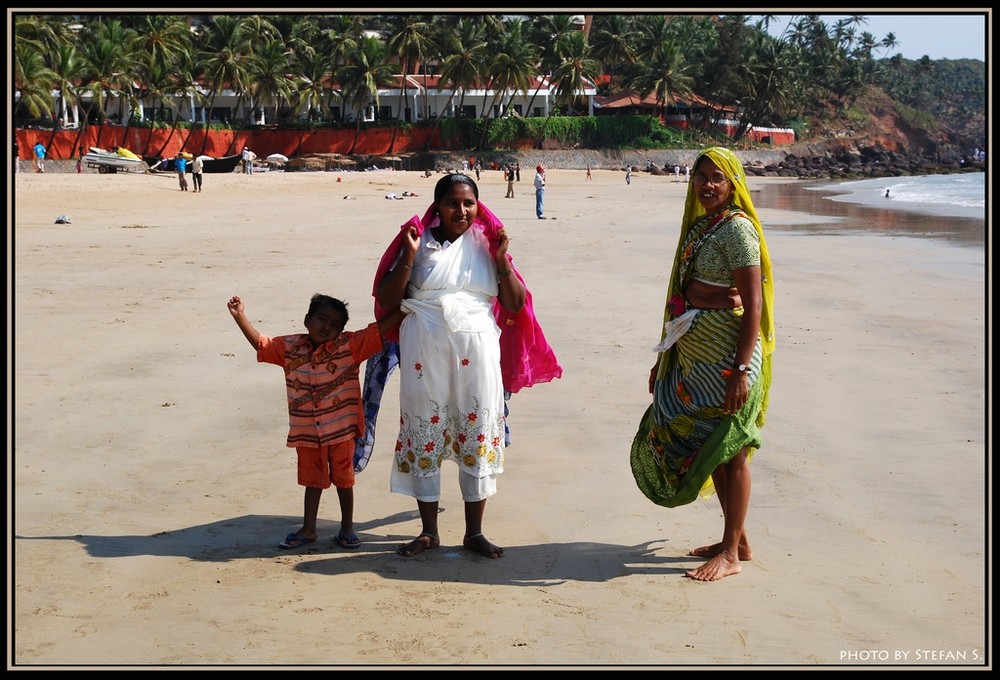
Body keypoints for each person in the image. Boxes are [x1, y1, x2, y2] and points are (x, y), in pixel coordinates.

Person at [369, 173, 562, 559]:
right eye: (453, 203)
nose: (462, 210)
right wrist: (407, 257)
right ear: (437, 206)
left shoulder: (487, 244)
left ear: (478, 205)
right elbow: (389, 298)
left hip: (478, 348)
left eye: (469, 203)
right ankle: (429, 531)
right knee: (425, 426)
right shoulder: (417, 242)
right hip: (425, 346)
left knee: (476, 427)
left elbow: (514, 303)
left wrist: (503, 261)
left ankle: (474, 532)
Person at [630, 146, 775, 582]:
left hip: (729, 362)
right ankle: (739, 540)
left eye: (717, 177)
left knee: (734, 455)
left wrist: (739, 371)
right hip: (695, 363)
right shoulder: (702, 227)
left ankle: (730, 553)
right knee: (712, 450)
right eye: (701, 177)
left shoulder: (738, 231)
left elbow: (752, 307)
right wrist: (666, 357)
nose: (708, 185)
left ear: (733, 184)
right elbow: (683, 301)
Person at [227, 293, 404, 550]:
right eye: (321, 319)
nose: (327, 327)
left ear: (341, 330)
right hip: (308, 434)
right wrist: (239, 316)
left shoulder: (350, 346)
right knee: (313, 481)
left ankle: (347, 528)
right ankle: (309, 528)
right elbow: (261, 345)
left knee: (345, 481)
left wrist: (404, 307)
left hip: (341, 432)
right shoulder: (290, 348)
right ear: (307, 319)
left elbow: (378, 330)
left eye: (334, 325)